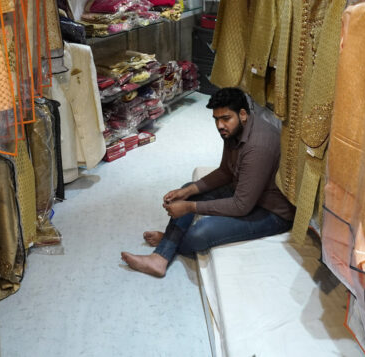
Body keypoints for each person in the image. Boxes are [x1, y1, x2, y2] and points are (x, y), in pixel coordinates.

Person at [121, 87, 296, 277]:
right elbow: (225, 172)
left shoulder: (258, 146)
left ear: (243, 114)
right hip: (244, 190)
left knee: (200, 233)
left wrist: (190, 207)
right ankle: (161, 256)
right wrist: (189, 191)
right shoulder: (234, 129)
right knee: (186, 191)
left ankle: (169, 242)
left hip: (271, 212)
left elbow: (241, 206)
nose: (220, 125)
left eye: (226, 118)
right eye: (216, 119)